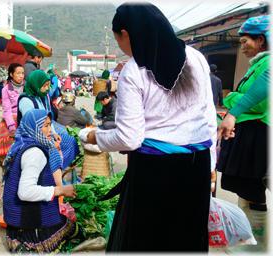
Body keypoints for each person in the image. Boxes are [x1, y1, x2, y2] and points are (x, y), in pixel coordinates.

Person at [86, 3, 216, 252]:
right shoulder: (197, 58)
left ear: (127, 33)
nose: (121, 47)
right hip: (196, 165)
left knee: (147, 238)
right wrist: (211, 164)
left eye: (118, 40)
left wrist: (95, 137)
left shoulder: (134, 71)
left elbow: (129, 138)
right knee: (187, 236)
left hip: (155, 170)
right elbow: (208, 115)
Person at [217, 14, 270, 254]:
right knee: (247, 189)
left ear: (261, 40)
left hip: (259, 134)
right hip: (249, 133)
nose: (243, 47)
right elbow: (243, 96)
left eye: (245, 41)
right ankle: (246, 240)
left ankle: (257, 247)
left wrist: (233, 103)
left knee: (255, 189)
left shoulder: (268, 65)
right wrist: (235, 99)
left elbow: (258, 104)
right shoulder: (258, 65)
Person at [2, 109, 85, 253]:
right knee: (77, 232)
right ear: (34, 127)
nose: (49, 130)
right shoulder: (35, 153)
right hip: (27, 219)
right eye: (45, 125)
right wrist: (59, 190)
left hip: (14, 219)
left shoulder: (22, 142)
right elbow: (25, 192)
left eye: (49, 125)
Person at [17, 70, 80, 187]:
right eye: (44, 86)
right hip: (31, 139)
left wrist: (54, 133)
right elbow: (33, 128)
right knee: (54, 153)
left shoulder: (41, 97)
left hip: (44, 134)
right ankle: (53, 183)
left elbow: (47, 119)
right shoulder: (26, 101)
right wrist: (50, 142)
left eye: (48, 85)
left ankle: (55, 174)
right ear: (36, 85)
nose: (47, 89)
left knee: (70, 141)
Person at [218, 69, 269, 140]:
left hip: (254, 129)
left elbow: (260, 104)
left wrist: (232, 98)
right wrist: (233, 114)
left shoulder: (267, 62)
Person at [0, 63, 25, 165]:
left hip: (25, 115)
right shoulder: (5, 90)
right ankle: (6, 160)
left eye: (23, 73)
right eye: (18, 73)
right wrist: (11, 127)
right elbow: (6, 109)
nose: (21, 76)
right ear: (11, 74)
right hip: (12, 117)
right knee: (3, 131)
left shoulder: (27, 87)